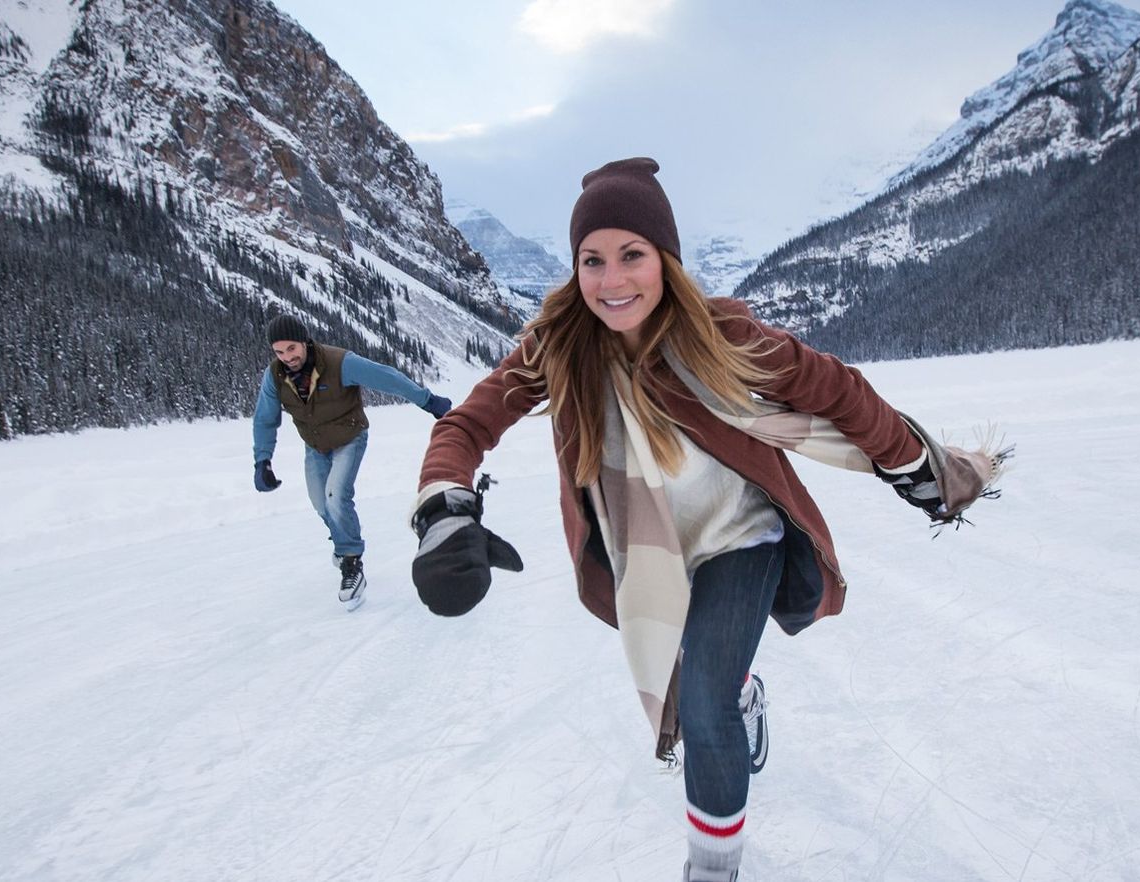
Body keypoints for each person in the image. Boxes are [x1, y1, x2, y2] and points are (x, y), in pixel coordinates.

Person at [406, 157, 1006, 880]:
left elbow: (840, 392)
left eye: (633, 255)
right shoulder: (557, 350)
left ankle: (712, 867)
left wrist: (912, 462)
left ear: (666, 261)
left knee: (704, 699)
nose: (613, 279)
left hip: (740, 539)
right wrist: (444, 507)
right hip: (649, 553)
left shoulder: (722, 336)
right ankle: (741, 689)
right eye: (592, 260)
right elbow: (466, 425)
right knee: (705, 687)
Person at [252, 314, 453, 611]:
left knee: (336, 496)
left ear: (305, 342)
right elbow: (265, 418)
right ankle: (342, 539)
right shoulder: (275, 376)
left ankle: (351, 562)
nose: (287, 357)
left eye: (291, 349)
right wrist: (262, 461)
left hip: (350, 437)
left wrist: (427, 400)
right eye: (279, 352)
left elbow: (387, 377)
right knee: (321, 503)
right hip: (316, 446)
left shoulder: (338, 362)